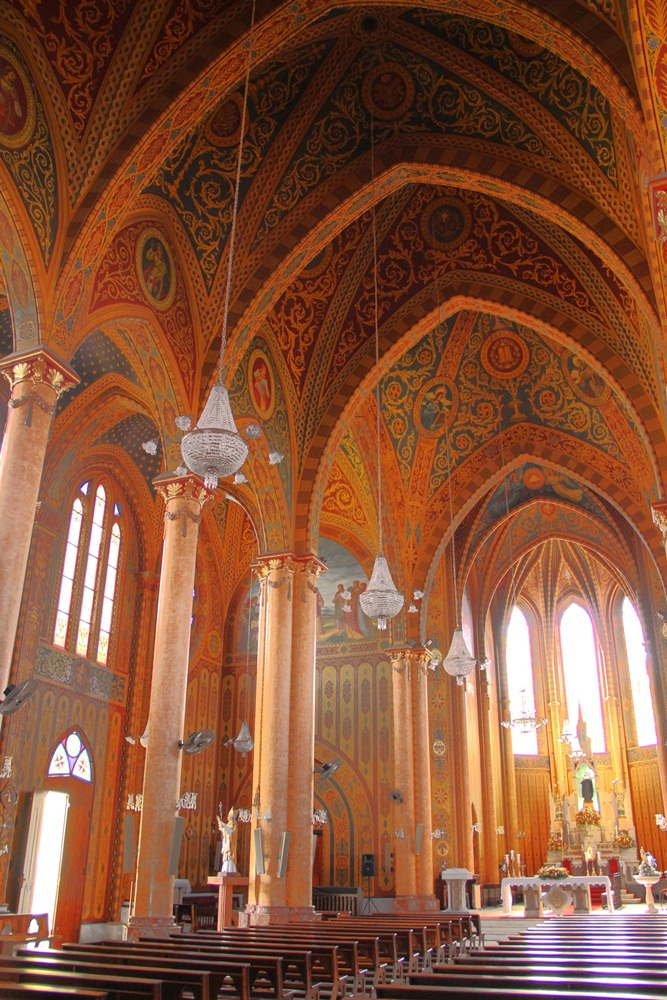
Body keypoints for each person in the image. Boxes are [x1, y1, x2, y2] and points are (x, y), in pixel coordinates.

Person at [218, 807, 238, 873]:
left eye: (228, 816)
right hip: (228, 843)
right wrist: (223, 827)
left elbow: (230, 832)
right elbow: (227, 830)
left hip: (230, 845)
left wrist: (222, 825)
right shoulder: (231, 823)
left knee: (229, 856)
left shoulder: (233, 823)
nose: (227, 817)